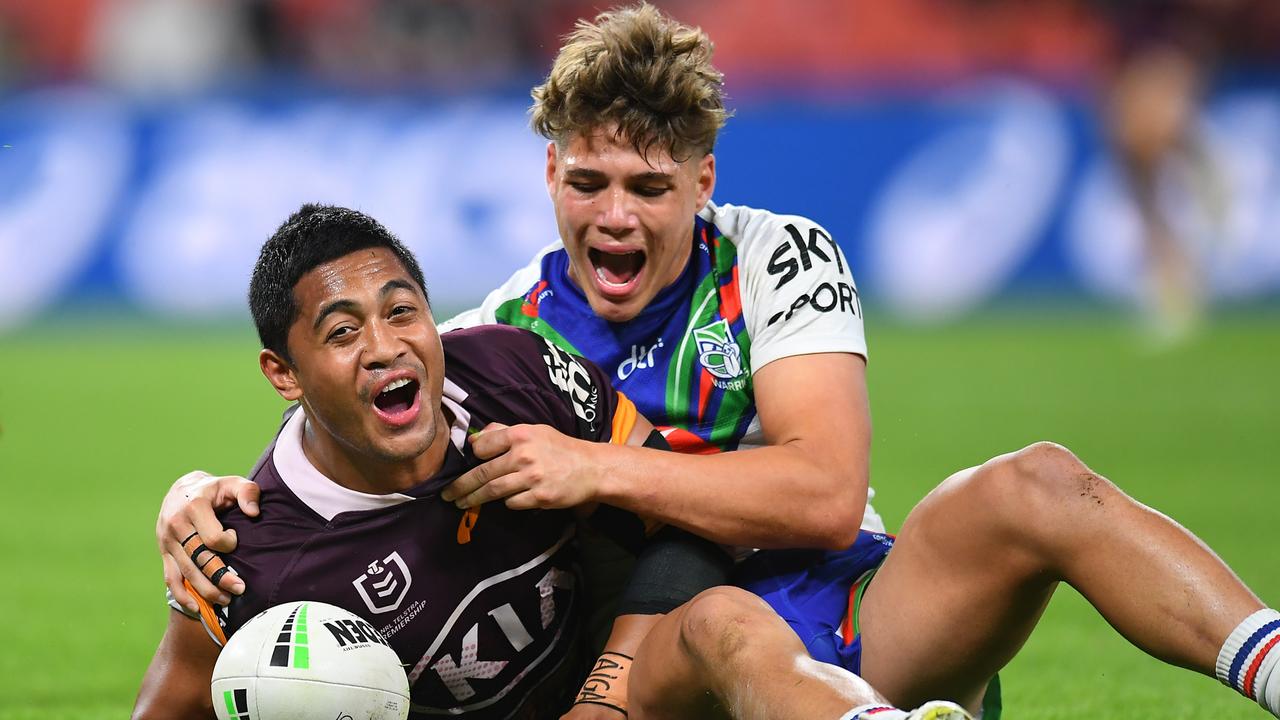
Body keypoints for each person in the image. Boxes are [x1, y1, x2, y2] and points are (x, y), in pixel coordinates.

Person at [156, 4, 1280, 718]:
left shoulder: (775, 257)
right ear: (549, 177)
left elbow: (827, 496)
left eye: (650, 188)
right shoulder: (502, 326)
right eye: (588, 183)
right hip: (660, 671)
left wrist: (596, 469)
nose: (615, 218)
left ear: (702, 180)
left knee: (1039, 481)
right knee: (722, 624)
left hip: (855, 611)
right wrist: (196, 498)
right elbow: (360, 429)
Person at [132, 203, 969, 720]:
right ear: (283, 372)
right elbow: (168, 708)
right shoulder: (250, 554)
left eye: (402, 312)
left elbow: (682, 514)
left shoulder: (509, 369)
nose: (386, 349)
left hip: (638, 693)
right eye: (343, 332)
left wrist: (607, 690)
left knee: (728, 621)